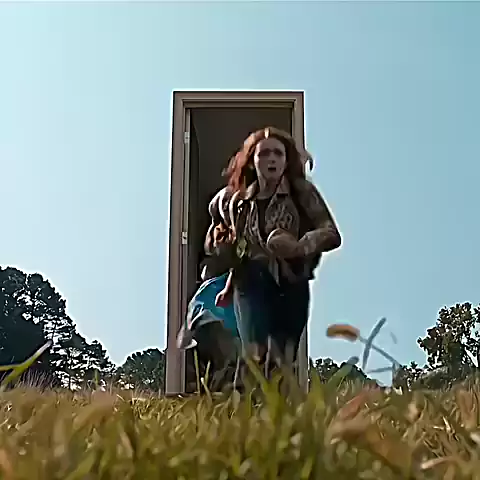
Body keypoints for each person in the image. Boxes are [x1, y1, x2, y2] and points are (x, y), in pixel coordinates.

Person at [206, 127, 342, 376]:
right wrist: (228, 287)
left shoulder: (301, 192)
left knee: (281, 361)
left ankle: (276, 400)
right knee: (254, 353)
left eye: (278, 154)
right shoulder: (240, 203)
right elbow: (241, 249)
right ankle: (244, 399)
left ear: (286, 161)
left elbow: (331, 233)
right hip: (251, 280)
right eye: (264, 154)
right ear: (252, 161)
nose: (271, 159)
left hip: (292, 280)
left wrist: (299, 246)